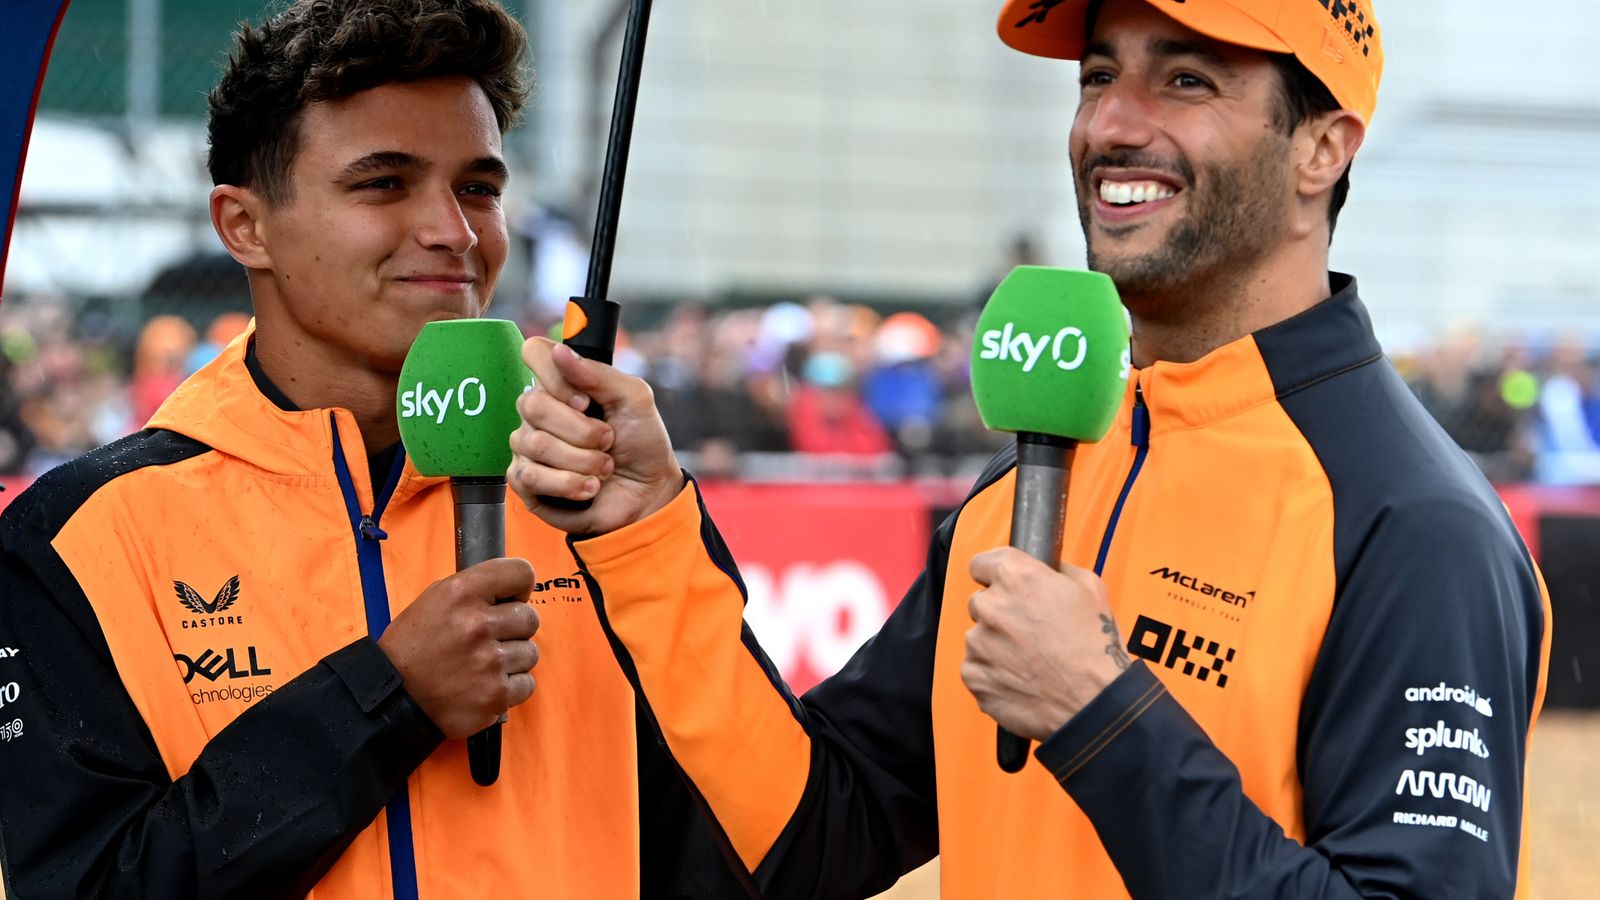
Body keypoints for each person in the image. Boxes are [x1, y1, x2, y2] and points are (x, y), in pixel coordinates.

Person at [506, 1, 1552, 898]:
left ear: (1322, 146)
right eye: (1098, 75)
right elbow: (812, 831)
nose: (1110, 122)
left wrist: (1102, 717)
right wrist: (645, 530)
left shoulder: (1415, 525)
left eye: (1186, 79)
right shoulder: (1027, 485)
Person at [0, 1, 739, 897]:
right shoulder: (75, 538)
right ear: (244, 225)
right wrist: (386, 697)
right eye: (384, 183)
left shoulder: (598, 501)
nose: (454, 232)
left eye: (479, 187)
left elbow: (739, 846)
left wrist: (658, 537)